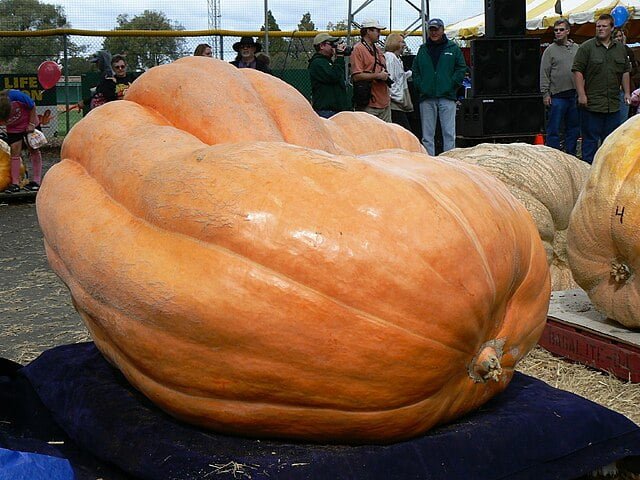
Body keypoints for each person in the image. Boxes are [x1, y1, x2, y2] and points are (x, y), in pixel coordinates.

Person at [572, 13, 631, 164]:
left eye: (604, 26)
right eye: (598, 26)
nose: (600, 29)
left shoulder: (620, 49)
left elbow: (625, 71)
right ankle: (587, 172)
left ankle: (606, 173)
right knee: (590, 142)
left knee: (610, 143)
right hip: (592, 104)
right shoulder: (587, 48)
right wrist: (581, 94)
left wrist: (627, 93)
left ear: (612, 28)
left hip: (613, 104)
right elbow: (577, 71)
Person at [411, 18, 467, 155]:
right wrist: (421, 86)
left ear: (442, 30)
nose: (434, 32)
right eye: (431, 29)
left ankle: (450, 162)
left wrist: (452, 85)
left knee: (449, 133)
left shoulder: (453, 48)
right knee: (427, 135)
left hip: (447, 96)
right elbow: (415, 70)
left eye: (437, 29)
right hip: (427, 97)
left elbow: (461, 69)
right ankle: (429, 163)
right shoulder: (422, 49)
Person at [540, 18, 580, 156]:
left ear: (568, 31)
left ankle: (571, 155)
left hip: (574, 94)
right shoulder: (550, 50)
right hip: (557, 95)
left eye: (561, 30)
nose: (558, 32)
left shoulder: (576, 48)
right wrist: (545, 93)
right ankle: (554, 156)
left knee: (573, 129)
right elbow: (544, 72)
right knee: (554, 128)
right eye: (556, 30)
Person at [0, 89, 42, 193]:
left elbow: (32, 106)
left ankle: (36, 181)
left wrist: (31, 124)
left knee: (33, 149)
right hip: (14, 127)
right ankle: (15, 183)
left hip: (28, 121)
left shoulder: (16, 96)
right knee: (15, 151)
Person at [350, 19, 392, 122]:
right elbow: (356, 76)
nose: (379, 33)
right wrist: (378, 76)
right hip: (369, 104)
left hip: (384, 102)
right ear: (368, 31)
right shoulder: (358, 49)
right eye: (377, 30)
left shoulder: (377, 49)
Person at [308, 32, 350, 118]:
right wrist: (339, 56)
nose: (333, 47)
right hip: (326, 111)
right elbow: (333, 76)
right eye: (331, 44)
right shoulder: (317, 63)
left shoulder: (328, 62)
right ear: (321, 46)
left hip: (336, 110)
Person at [384, 33, 413, 130]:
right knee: (404, 129)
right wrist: (398, 98)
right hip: (394, 103)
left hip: (397, 102)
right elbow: (390, 80)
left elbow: (399, 77)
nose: (404, 45)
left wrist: (410, 73)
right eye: (402, 42)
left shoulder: (398, 59)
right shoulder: (390, 58)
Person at [613, 27, 637, 122]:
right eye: (616, 36)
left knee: (623, 119)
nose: (619, 38)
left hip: (625, 89)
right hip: (611, 89)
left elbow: (635, 69)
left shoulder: (627, 50)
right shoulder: (607, 51)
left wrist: (629, 69)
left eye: (620, 36)